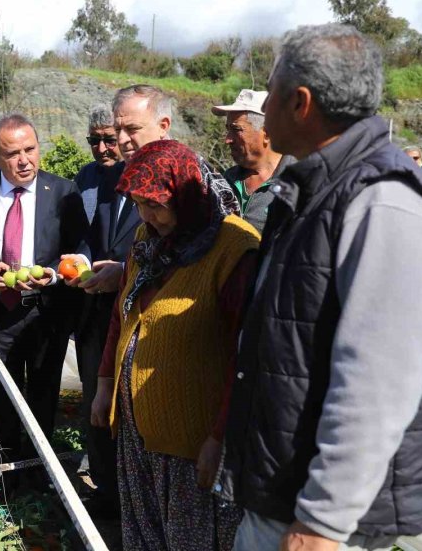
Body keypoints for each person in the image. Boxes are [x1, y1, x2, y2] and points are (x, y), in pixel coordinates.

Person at [218, 24, 422, 551]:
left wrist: (323, 521)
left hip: (349, 527)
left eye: (269, 91)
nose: (262, 107)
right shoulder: (313, 192)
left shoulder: (382, 200)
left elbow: (379, 381)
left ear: (300, 102)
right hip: (285, 500)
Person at [90, 139, 259, 550]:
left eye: (157, 204)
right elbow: (122, 314)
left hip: (191, 444)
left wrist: (220, 437)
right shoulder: (148, 241)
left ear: (186, 193)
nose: (148, 216)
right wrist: (104, 384)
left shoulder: (236, 248)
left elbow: (249, 354)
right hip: (139, 436)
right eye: (139, 204)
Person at [0, 113, 90, 472]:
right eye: (12, 154)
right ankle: (8, 469)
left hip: (45, 313)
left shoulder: (63, 191)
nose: (24, 160)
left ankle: (40, 468)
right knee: (2, 393)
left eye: (30, 149)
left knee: (44, 393)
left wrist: (56, 275)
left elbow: (81, 248)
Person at [71, 104, 141, 516]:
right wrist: (80, 262)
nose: (101, 147)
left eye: (108, 139)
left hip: (135, 309)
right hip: (95, 310)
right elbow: (82, 236)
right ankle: (105, 489)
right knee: (94, 400)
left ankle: (131, 491)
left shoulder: (146, 178)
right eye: (94, 140)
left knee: (129, 402)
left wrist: (124, 271)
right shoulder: (87, 179)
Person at [212, 89, 296, 233]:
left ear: (267, 133)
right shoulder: (225, 181)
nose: (228, 139)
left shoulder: (297, 182)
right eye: (228, 129)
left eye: (237, 129)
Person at [112, 84, 172, 160]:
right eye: (117, 129)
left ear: (162, 127)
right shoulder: (111, 171)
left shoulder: (185, 169)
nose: (121, 140)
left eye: (132, 128)